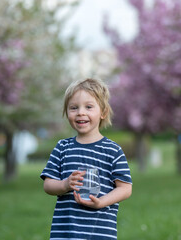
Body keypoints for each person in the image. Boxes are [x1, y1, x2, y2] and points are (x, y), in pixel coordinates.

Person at [40, 78, 132, 240]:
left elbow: (125, 188)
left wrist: (101, 202)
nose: (81, 112)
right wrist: (65, 184)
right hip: (66, 233)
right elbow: (48, 185)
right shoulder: (62, 147)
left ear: (103, 112)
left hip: (99, 232)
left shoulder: (112, 150)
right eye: (73, 108)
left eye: (89, 107)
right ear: (66, 112)